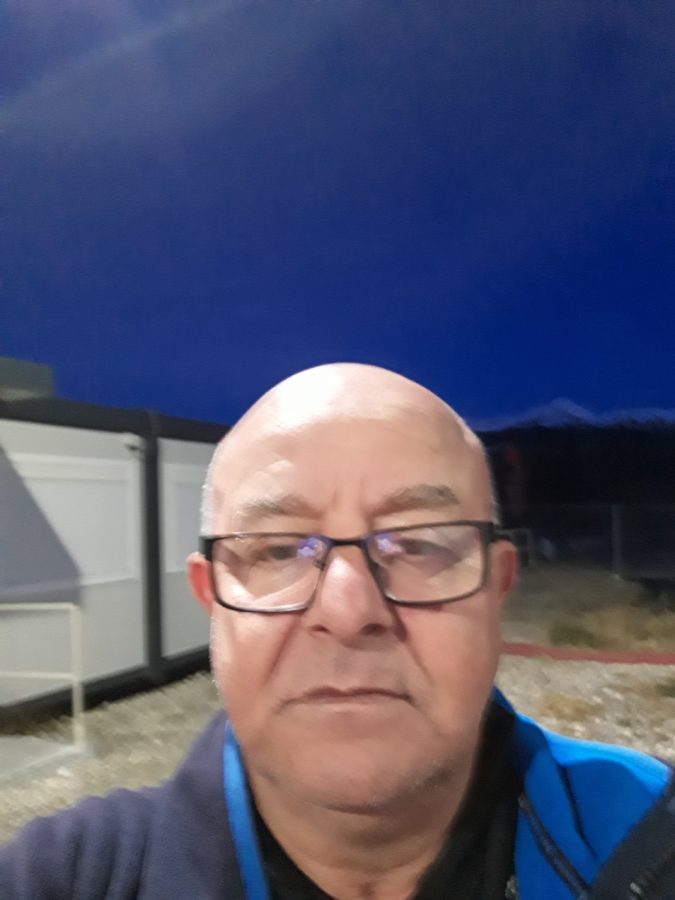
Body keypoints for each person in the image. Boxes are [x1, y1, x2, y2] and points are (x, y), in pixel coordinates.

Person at [1, 363, 675, 900]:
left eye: (418, 543)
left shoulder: (650, 831)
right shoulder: (64, 877)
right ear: (213, 602)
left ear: (496, 590)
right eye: (277, 549)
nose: (349, 612)